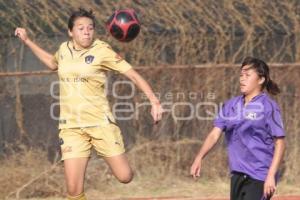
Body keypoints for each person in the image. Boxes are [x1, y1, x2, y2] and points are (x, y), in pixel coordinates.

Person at [15, 8, 163, 200]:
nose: (86, 32)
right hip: (72, 127)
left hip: (100, 124)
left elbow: (132, 74)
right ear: (71, 32)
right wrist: (27, 41)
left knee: (124, 176)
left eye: (90, 28)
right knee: (73, 190)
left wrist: (154, 101)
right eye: (81, 28)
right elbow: (52, 64)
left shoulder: (102, 50)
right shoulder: (64, 50)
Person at [190, 57, 285, 200]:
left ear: (260, 80)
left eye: (247, 75)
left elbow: (280, 143)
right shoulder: (230, 105)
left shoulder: (268, 107)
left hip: (260, 175)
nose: (242, 79)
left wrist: (271, 175)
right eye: (241, 75)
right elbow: (214, 134)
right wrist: (199, 157)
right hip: (237, 174)